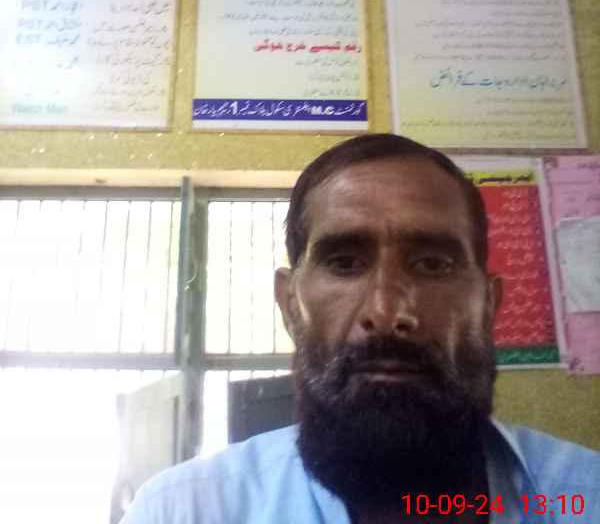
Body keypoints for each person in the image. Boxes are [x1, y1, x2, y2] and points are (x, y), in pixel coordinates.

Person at [121, 134, 600, 523]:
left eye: (433, 264)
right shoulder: (185, 511)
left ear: (489, 304)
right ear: (289, 304)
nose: (387, 312)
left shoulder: (586, 498)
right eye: (345, 263)